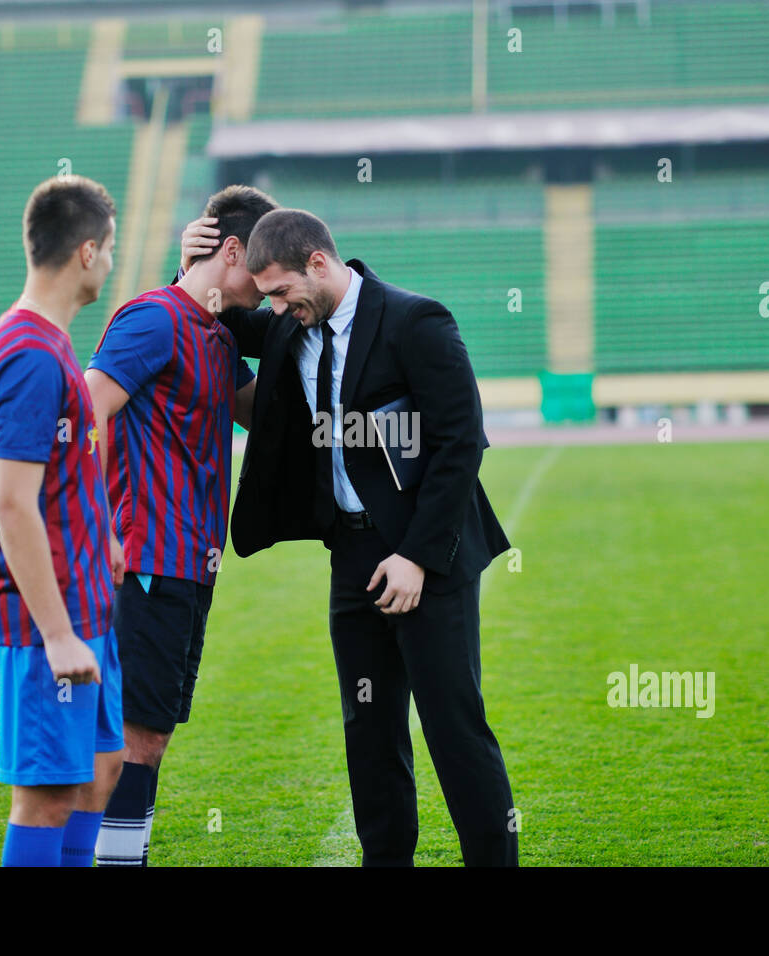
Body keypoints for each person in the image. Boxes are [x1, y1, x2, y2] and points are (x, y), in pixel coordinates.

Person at [200, 206, 518, 866]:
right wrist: (190, 255)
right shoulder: (292, 325)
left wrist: (418, 559)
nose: (277, 309)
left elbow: (462, 443)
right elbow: (220, 311)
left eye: (283, 292)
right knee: (368, 733)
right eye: (269, 298)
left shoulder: (415, 322)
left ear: (318, 264)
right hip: (352, 560)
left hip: (430, 559)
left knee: (454, 731)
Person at [84, 185, 273, 867]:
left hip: (191, 570)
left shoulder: (218, 337)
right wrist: (97, 531)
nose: (271, 282)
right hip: (146, 565)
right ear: (230, 250)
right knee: (133, 740)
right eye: (263, 265)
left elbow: (271, 421)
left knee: (146, 738)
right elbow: (80, 415)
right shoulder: (153, 320)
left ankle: (115, 858)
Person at [0, 175, 126, 867]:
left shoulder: (54, 341)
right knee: (48, 795)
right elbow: (12, 502)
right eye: (112, 250)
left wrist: (105, 544)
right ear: (88, 252)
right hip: (48, 625)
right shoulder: (31, 355)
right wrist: (58, 634)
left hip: (88, 602)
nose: (114, 265)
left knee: (100, 772)